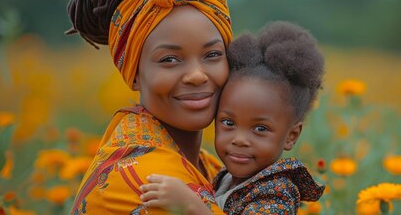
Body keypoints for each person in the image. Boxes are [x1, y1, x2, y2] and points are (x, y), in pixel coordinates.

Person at [65, 0, 233, 214]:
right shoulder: (149, 185)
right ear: (133, 73)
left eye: (212, 54)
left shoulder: (207, 166)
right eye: (169, 59)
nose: (197, 75)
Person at [139, 21, 326, 214]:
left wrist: (191, 206)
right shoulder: (224, 177)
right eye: (228, 123)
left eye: (260, 129)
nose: (239, 140)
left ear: (291, 136)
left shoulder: (276, 193)